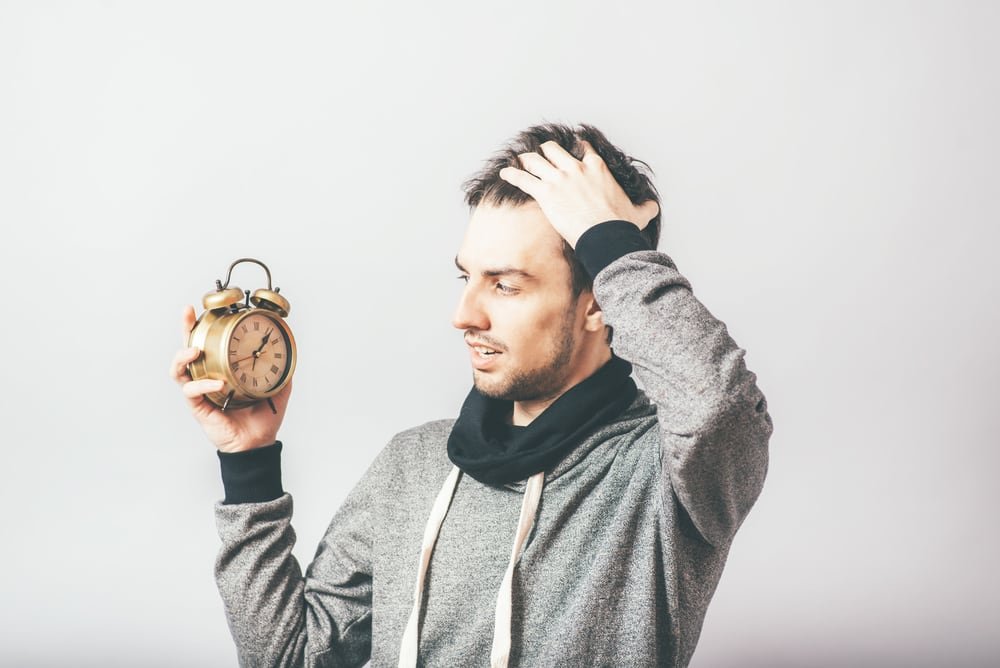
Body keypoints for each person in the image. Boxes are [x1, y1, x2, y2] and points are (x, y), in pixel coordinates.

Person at [170, 123, 772, 667]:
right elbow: (292, 660)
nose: (464, 315)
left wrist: (610, 239)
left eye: (505, 285)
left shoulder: (666, 475)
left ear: (598, 302)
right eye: (467, 277)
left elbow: (716, 399)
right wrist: (248, 461)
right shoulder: (412, 464)